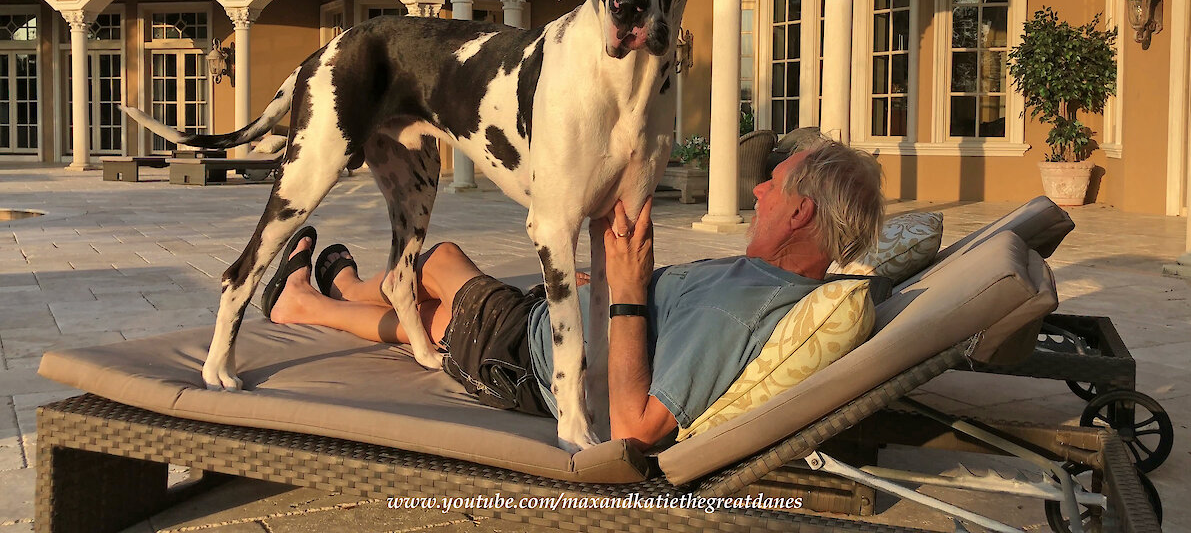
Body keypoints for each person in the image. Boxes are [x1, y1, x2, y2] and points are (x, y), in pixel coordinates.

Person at [266, 138, 884, 450]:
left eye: (770, 187)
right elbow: (672, 318)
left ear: (799, 213)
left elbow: (632, 429)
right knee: (435, 302)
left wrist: (628, 295)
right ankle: (331, 292)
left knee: (438, 267)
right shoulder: (764, 283)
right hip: (555, 333)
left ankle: (317, 298)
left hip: (531, 363)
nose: (756, 195)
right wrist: (612, 285)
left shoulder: (743, 307)